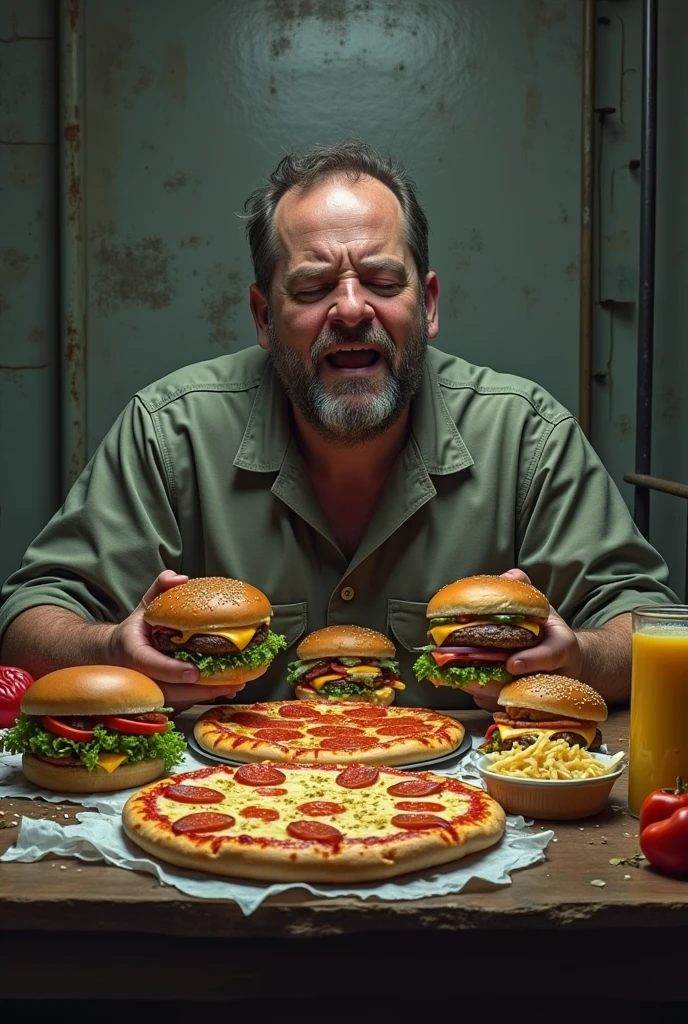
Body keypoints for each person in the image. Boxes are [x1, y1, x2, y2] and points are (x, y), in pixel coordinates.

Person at [0, 141, 677, 713]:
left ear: (429, 304)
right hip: (233, 808)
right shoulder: (167, 431)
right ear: (265, 317)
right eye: (314, 286)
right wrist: (108, 647)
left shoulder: (528, 436)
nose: (351, 309)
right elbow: (30, 618)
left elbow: (649, 622)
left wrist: (577, 655)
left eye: (382, 279)